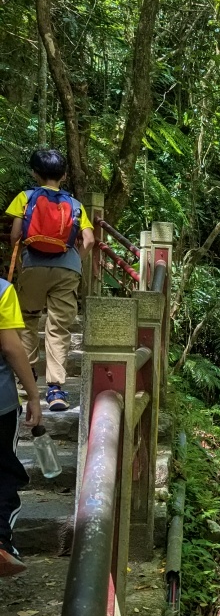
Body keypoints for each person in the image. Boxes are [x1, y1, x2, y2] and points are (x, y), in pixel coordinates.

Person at [6, 149, 94, 412]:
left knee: (28, 319)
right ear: (64, 175)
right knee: (58, 328)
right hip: (67, 270)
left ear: (35, 173)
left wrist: (22, 261)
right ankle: (56, 390)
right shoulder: (76, 205)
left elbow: (14, 235)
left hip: (33, 265)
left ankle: (27, 379)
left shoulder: (25, 197)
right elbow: (89, 240)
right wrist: (75, 258)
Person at [0, 277, 42, 575]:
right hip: (0, 405)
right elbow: (11, 346)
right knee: (4, 471)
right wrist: (34, 395)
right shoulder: (2, 290)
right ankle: (1, 542)